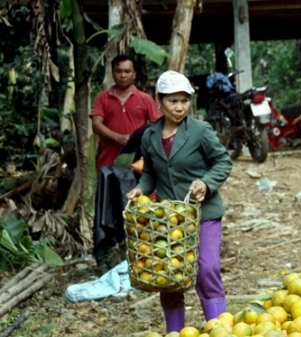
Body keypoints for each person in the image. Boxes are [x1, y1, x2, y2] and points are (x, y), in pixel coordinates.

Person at [125, 70, 233, 332]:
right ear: (159, 101)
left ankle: (218, 328)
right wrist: (140, 189)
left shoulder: (200, 130)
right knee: (168, 275)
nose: (180, 107)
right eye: (173, 101)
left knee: (207, 269)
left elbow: (223, 161)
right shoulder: (150, 136)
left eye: (184, 100)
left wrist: (206, 183)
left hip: (203, 212)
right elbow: (150, 173)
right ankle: (174, 331)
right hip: (168, 218)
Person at [90, 54, 162, 169]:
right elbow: (96, 125)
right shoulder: (102, 98)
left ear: (134, 74)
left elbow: (159, 126)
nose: (123, 75)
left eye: (127, 71)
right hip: (108, 162)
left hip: (139, 163)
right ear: (113, 74)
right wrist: (118, 137)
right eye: (118, 71)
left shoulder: (145, 98)